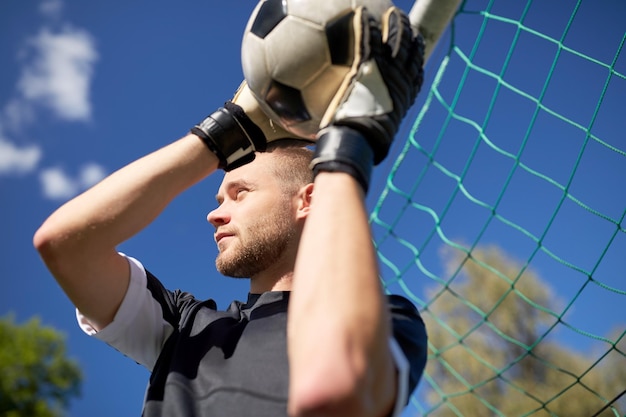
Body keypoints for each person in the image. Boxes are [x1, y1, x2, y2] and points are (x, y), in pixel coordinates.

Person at [34, 6, 428, 417]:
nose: (214, 215)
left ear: (310, 200)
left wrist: (349, 148)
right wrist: (222, 133)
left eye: (240, 193)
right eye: (219, 200)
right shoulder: (182, 326)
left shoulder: (387, 316)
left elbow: (334, 391)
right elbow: (64, 244)